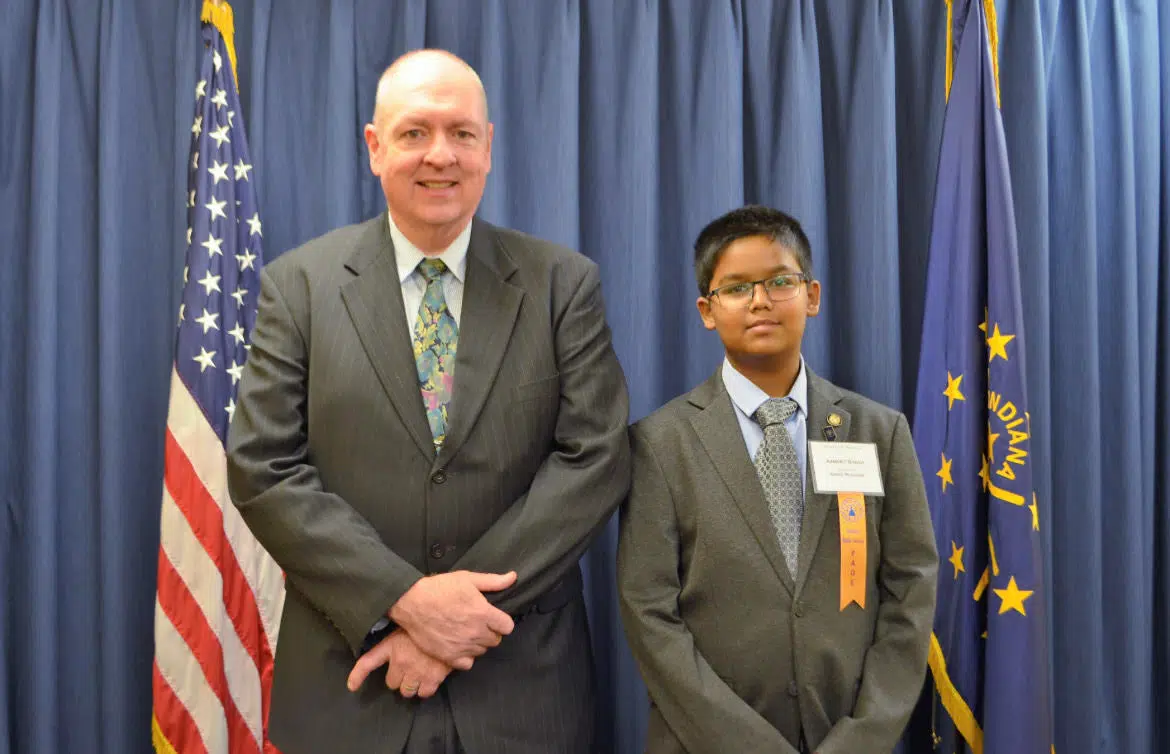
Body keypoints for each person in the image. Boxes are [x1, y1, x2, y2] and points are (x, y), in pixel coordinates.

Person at [227, 49, 631, 754]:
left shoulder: (563, 284)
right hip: (350, 687)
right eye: (415, 133)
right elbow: (264, 469)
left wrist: (459, 619)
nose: (440, 155)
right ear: (375, 147)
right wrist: (405, 603)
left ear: (489, 147)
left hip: (523, 690)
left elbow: (593, 459)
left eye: (461, 133)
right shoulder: (299, 288)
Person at [617, 205, 937, 753]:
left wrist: (862, 738)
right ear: (707, 311)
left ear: (811, 296)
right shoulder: (658, 443)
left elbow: (911, 590)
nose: (760, 300)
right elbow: (649, 613)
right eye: (736, 288)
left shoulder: (878, 432)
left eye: (779, 281)